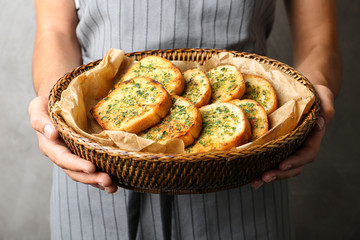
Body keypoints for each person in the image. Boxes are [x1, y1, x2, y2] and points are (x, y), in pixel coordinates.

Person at [28, 0, 341, 239]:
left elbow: (319, 41)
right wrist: (53, 104)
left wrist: (313, 100)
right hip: (97, 167)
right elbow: (54, 31)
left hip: (246, 172)